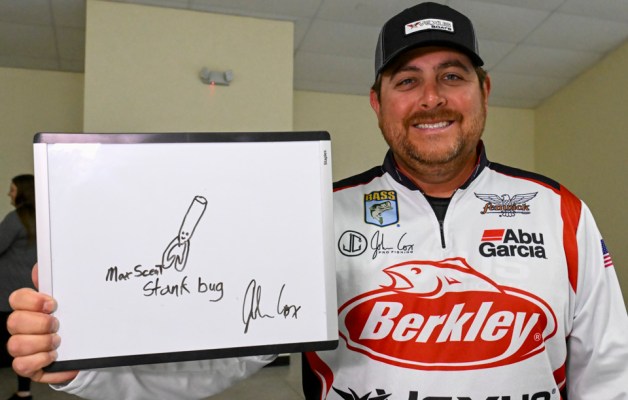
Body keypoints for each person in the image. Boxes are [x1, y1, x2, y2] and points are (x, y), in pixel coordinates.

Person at [6, 2, 628, 400]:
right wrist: (80, 364)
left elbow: (609, 372)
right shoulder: (314, 214)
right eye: (407, 80)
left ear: (484, 90)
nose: (431, 97)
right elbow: (217, 360)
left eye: (452, 75)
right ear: (378, 103)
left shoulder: (559, 212)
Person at [1, 175, 37, 400]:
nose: (9, 194)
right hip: (30, 292)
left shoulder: (15, 219)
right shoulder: (43, 218)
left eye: (12, 190)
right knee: (24, 345)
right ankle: (25, 391)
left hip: (6, 293)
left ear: (23, 192)